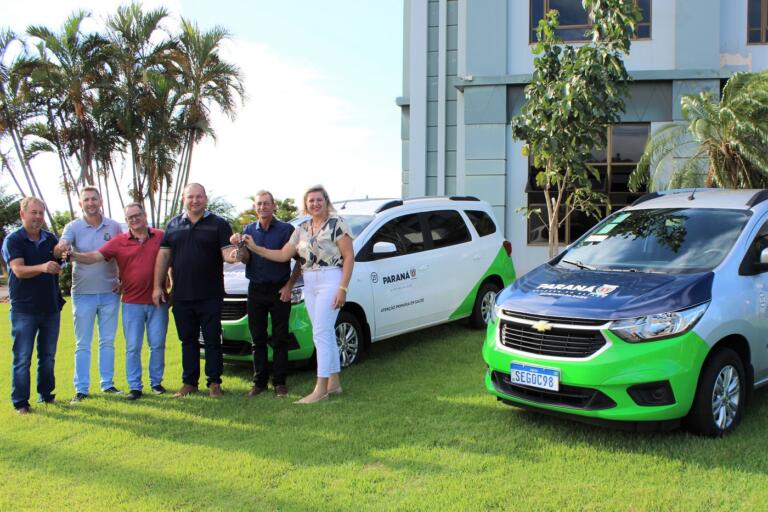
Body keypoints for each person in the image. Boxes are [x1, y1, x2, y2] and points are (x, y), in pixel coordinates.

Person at [240, 185, 353, 404]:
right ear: (306, 204)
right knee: (325, 332)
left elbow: (349, 257)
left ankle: (320, 389)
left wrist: (343, 288)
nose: (315, 204)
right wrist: (256, 248)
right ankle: (334, 382)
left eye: (319, 200)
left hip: (330, 278)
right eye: (310, 201)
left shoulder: (337, 224)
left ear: (326, 201)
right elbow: (284, 255)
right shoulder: (301, 228)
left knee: (320, 333)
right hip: (310, 281)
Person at [70, 203, 168, 401]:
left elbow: (172, 261)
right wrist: (73, 255)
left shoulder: (161, 236)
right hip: (131, 302)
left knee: (157, 344)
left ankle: (156, 383)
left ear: (145, 214)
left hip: (158, 301)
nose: (134, 219)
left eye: (137, 215)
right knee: (133, 346)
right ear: (126, 221)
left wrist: (172, 286)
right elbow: (94, 257)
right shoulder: (119, 241)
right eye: (130, 217)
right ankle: (135, 387)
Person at [153, 183, 235, 398]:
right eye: (191, 197)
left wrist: (237, 254)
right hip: (181, 296)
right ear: (184, 199)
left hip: (210, 294)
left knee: (212, 340)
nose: (195, 200)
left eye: (199, 197)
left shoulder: (218, 224)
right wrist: (157, 286)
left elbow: (227, 253)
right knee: (187, 341)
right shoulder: (172, 225)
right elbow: (164, 257)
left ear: (205, 199)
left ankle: (214, 383)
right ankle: (189, 383)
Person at [55, 187, 123, 403]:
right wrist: (62, 246)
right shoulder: (73, 226)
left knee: (108, 341)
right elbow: (61, 247)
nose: (91, 203)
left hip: (110, 292)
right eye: (86, 200)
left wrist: (122, 279)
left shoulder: (114, 226)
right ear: (80, 203)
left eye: (94, 199)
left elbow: (122, 255)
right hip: (83, 293)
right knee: (82, 343)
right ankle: (81, 389)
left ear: (101, 200)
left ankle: (108, 384)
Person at [231, 191, 300, 398]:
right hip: (256, 290)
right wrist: (239, 248)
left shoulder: (287, 230)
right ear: (255, 207)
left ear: (274, 206)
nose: (262, 207)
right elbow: (244, 259)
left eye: (266, 203)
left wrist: (289, 286)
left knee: (279, 338)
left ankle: (279, 383)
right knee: (257, 338)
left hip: (279, 289)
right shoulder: (248, 230)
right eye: (259, 204)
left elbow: (300, 261)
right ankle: (259, 382)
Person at [2, 197, 63, 414]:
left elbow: (60, 261)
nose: (38, 217)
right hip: (24, 309)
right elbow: (18, 270)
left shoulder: (50, 239)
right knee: (22, 358)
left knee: (47, 356)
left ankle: (46, 395)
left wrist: (61, 254)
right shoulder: (14, 240)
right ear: (22, 214)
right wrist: (44, 266)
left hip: (50, 308)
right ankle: (21, 403)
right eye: (33, 213)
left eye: (41, 213)